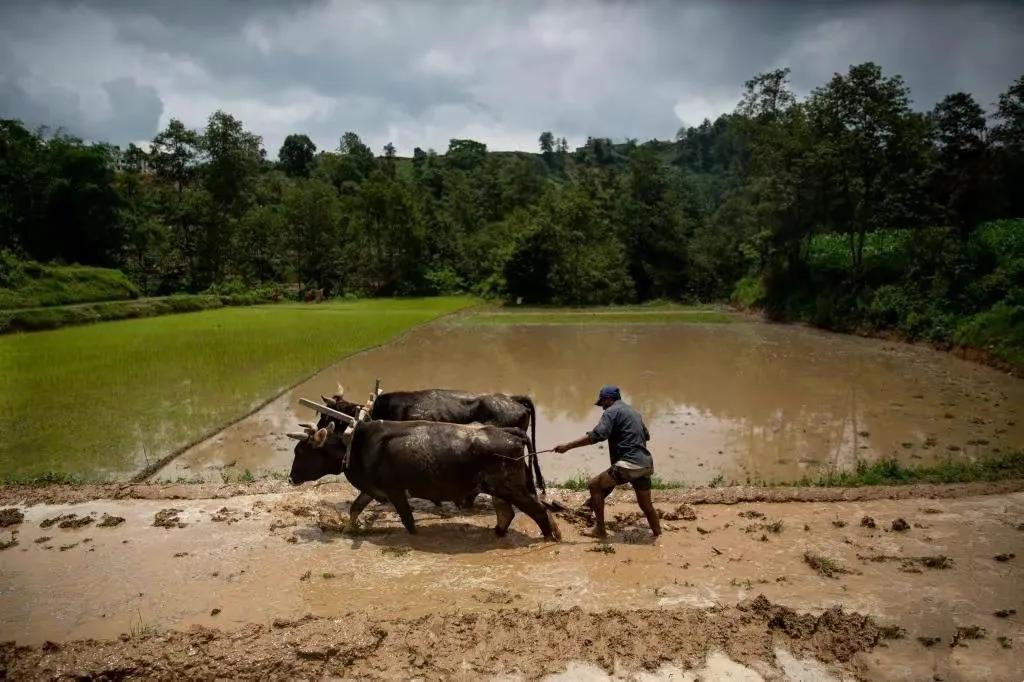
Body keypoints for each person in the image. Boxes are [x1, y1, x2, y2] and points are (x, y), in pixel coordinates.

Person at [554, 385, 661, 539]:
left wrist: (567, 446)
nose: (602, 408)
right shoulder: (634, 412)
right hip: (644, 463)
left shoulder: (611, 412)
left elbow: (597, 435)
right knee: (646, 505)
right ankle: (658, 533)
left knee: (594, 485)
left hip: (628, 464)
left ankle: (600, 530)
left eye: (602, 403)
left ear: (608, 399)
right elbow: (647, 435)